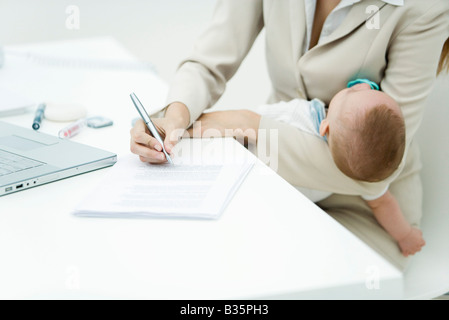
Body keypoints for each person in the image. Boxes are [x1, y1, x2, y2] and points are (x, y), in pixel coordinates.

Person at [130, 0, 449, 270]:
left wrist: (250, 123)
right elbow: (210, 60)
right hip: (274, 177)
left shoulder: (426, 8)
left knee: (281, 276)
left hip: (363, 208)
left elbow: (380, 165)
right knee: (195, 255)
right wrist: (174, 116)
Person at [254, 78, 425, 257]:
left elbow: (253, 119)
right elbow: (383, 204)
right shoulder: (359, 172)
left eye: (353, 92)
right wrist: (405, 235)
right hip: (282, 202)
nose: (364, 84)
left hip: (261, 186)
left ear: (325, 128)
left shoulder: (298, 114)